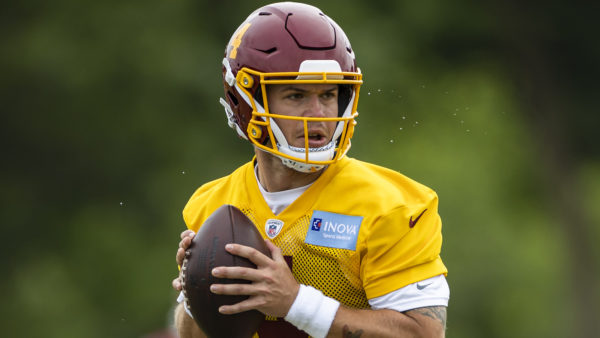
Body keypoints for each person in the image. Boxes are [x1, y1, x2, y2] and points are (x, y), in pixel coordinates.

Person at [171, 2, 449, 337]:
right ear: (245, 101)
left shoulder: (392, 207)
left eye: (329, 94)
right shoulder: (213, 204)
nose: (318, 114)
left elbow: (423, 335)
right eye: (296, 95)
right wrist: (195, 293)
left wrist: (295, 303)